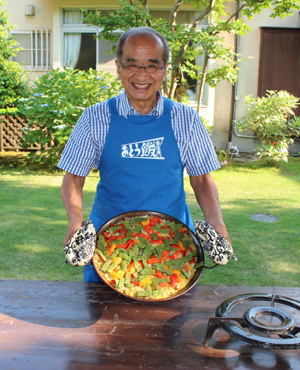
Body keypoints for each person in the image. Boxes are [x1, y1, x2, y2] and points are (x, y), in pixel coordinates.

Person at [58, 27, 230, 283]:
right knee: (102, 321)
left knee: (171, 321)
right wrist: (75, 220)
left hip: (172, 248)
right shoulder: (95, 118)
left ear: (164, 69)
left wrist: (217, 223)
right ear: (118, 67)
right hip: (109, 249)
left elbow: (202, 180)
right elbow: (74, 178)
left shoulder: (186, 120)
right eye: (131, 65)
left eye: (152, 65)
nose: (141, 75)